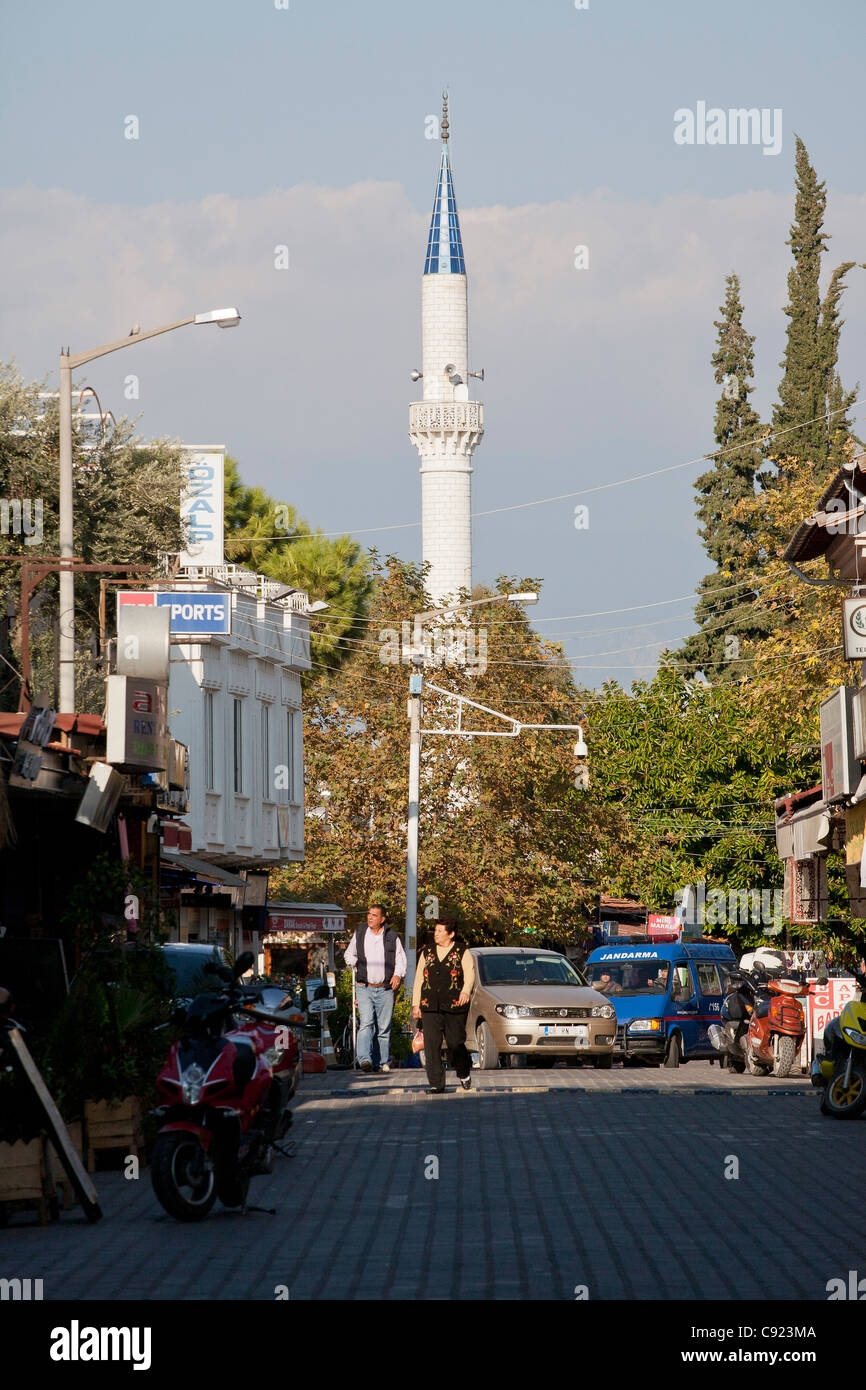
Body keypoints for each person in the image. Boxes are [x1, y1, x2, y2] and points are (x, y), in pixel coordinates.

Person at [411, 915, 475, 1094]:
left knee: (455, 1043)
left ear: (451, 934)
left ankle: (464, 1073)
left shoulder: (462, 951)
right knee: (431, 1045)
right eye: (435, 930)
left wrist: (465, 991)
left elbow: (470, 974)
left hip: (455, 1006)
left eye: (440, 931)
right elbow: (418, 979)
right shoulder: (427, 952)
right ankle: (436, 1083)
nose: (436, 934)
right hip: (430, 1005)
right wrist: (416, 1004)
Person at [342, 905, 406, 1073]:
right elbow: (349, 954)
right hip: (365, 987)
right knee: (366, 1023)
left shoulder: (392, 937)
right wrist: (354, 963)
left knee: (383, 1028)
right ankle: (364, 1060)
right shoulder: (361, 932)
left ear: (382, 919)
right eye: (369, 914)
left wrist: (398, 975)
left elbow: (401, 960)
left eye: (374, 915)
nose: (370, 918)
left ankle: (381, 1061)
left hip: (385, 988)